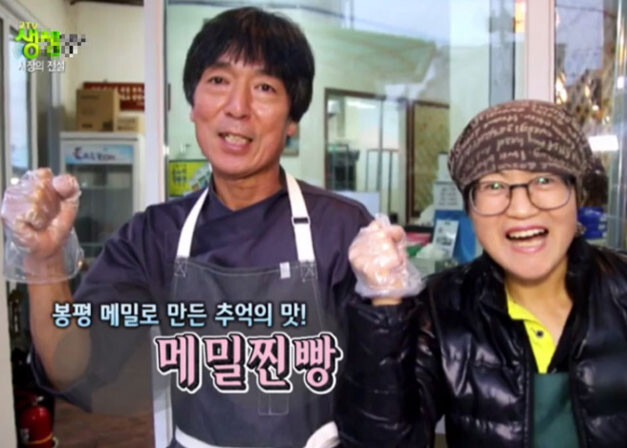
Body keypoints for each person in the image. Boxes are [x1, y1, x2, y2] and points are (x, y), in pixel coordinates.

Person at [0, 7, 388, 448]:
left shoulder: (341, 229)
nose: (237, 108)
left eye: (264, 87)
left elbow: (384, 393)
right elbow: (71, 368)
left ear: (291, 120)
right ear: (193, 103)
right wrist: (44, 261)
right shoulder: (154, 236)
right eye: (219, 80)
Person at [338, 100, 627, 447]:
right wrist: (384, 301)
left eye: (544, 179)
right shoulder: (442, 308)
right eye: (493, 186)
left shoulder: (621, 289)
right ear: (469, 208)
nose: (521, 208)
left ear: (577, 194)